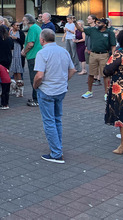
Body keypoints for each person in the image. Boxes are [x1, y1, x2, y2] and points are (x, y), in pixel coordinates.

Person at [33, 29, 76, 164]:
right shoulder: (63, 51)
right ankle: (58, 147)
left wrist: (35, 86)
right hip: (60, 90)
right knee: (57, 119)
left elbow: (39, 75)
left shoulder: (42, 53)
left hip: (47, 90)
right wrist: (64, 81)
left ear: (42, 40)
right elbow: (72, 69)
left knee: (49, 121)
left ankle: (56, 153)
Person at [77, 18, 116, 100]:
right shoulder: (93, 30)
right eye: (97, 23)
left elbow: (113, 45)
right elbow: (81, 29)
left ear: (105, 25)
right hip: (93, 54)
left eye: (100, 23)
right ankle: (89, 91)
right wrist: (74, 22)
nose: (97, 24)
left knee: (105, 74)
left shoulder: (109, 32)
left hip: (104, 55)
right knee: (91, 74)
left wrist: (113, 56)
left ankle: (106, 93)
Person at [21, 14, 42, 107]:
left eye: (24, 20)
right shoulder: (36, 27)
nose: (23, 22)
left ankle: (36, 99)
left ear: (28, 21)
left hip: (33, 56)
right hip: (37, 56)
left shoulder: (32, 29)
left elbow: (30, 44)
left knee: (34, 78)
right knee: (37, 77)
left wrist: (24, 52)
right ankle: (37, 97)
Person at [9, 20, 26, 96]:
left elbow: (23, 41)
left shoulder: (21, 33)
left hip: (19, 52)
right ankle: (15, 88)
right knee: (14, 71)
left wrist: (16, 38)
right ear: (13, 26)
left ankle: (20, 90)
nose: (18, 27)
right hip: (12, 52)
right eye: (16, 25)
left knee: (19, 71)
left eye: (19, 25)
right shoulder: (10, 32)